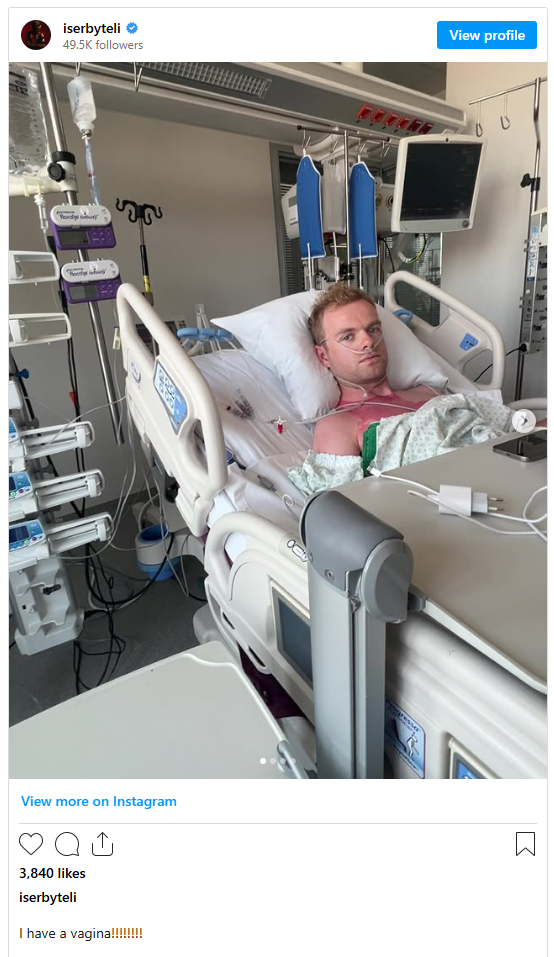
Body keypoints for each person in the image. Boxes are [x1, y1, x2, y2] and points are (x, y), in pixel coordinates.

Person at [309, 284, 442, 456]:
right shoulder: (337, 427)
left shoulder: (430, 393)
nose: (368, 342)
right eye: (347, 337)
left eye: (373, 330)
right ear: (324, 356)